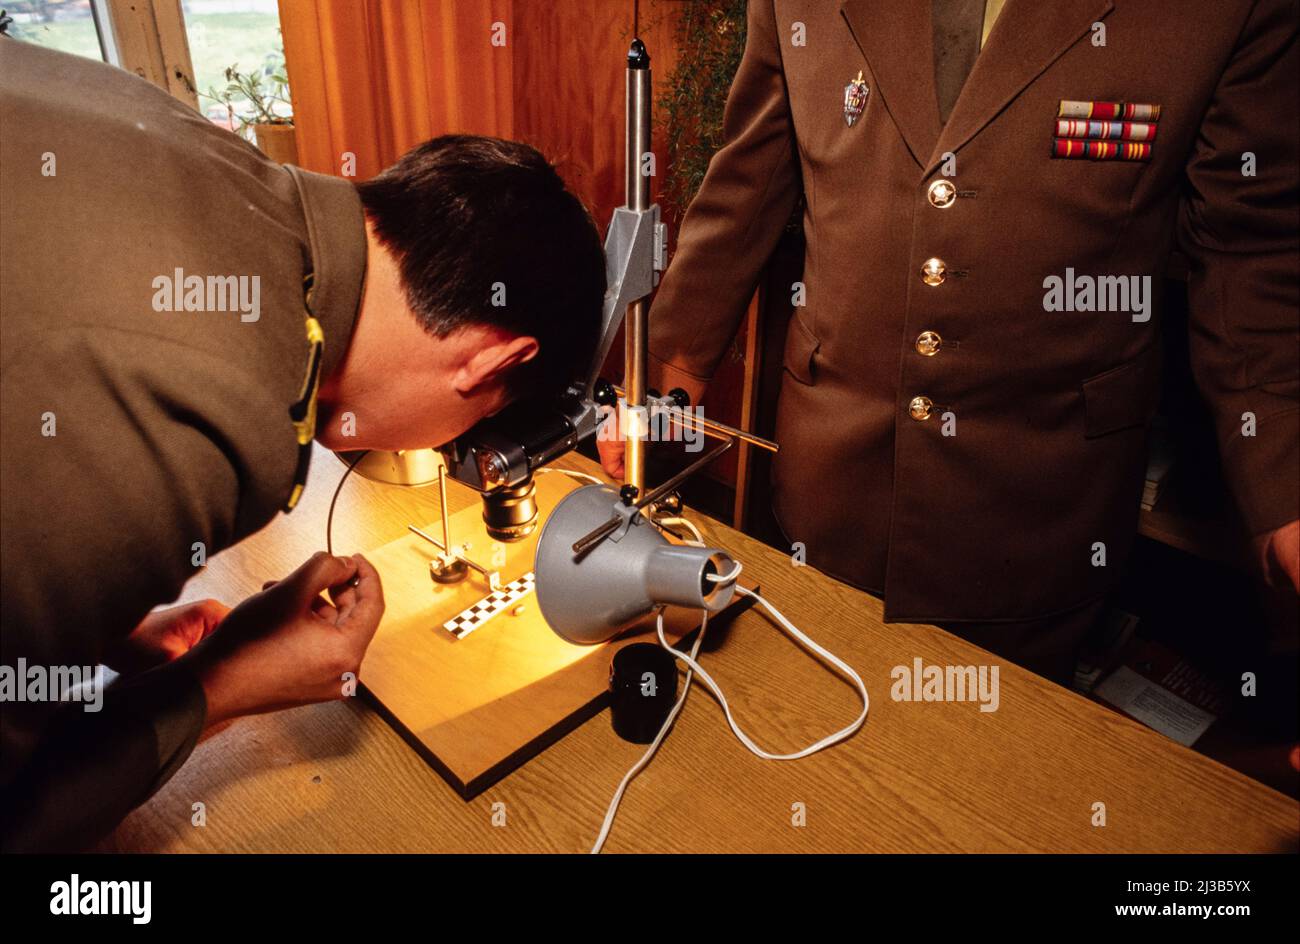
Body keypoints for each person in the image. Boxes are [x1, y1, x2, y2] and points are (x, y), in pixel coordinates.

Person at [0, 40, 605, 850]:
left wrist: (93, 634)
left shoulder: (188, 141)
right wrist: (218, 688)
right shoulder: (225, 412)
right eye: (477, 428)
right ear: (493, 361)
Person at [598, 0, 1299, 680]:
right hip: (831, 481)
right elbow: (748, 177)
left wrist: (1283, 487)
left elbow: (1250, 252)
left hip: (1040, 509)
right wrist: (661, 372)